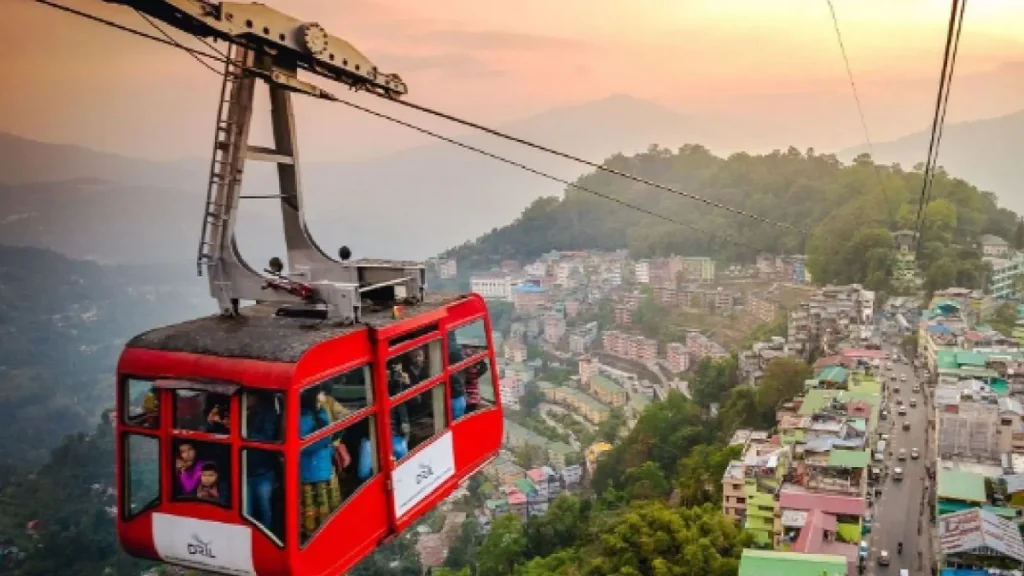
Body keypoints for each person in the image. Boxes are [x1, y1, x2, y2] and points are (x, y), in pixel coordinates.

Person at [299, 389, 340, 540]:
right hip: (310, 470)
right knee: (313, 509)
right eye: (319, 393)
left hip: (324, 466)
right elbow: (305, 445)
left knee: (326, 508)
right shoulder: (300, 417)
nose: (323, 395)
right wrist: (328, 439)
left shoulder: (321, 411)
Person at [245, 393, 280, 530]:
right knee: (247, 512)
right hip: (243, 471)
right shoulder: (234, 410)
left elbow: (267, 438)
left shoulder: (268, 413)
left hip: (263, 470)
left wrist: (241, 430)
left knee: (265, 510)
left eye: (248, 396)